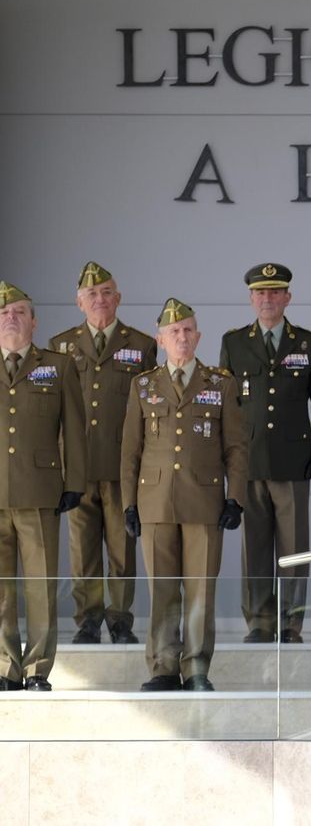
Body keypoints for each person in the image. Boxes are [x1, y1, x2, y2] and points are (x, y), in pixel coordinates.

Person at [121, 299, 247, 691]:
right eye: (174, 331)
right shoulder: (143, 385)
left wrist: (235, 497)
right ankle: (162, 666)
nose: (182, 336)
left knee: (199, 589)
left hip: (204, 501)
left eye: (188, 329)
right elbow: (130, 451)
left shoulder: (219, 383)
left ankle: (195, 668)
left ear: (199, 336)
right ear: (160, 339)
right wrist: (128, 502)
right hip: (155, 501)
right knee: (161, 588)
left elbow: (236, 448)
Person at [219, 263, 311, 644]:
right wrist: (223, 455)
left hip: (293, 459)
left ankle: (290, 622)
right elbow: (225, 405)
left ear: (288, 297)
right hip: (248, 460)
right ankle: (259, 622)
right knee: (254, 548)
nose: (267, 299)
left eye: (275, 292)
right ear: (251, 298)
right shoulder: (234, 342)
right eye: (260, 293)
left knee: (294, 548)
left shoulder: (308, 342)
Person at [48, 261, 156, 646]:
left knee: (122, 548)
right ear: (79, 303)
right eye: (92, 294)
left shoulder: (141, 346)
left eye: (106, 292)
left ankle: (120, 620)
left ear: (119, 298)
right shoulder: (59, 346)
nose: (100, 300)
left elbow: (151, 411)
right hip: (76, 468)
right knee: (83, 551)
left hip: (121, 466)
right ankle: (88, 620)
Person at [0, 281, 85, 691]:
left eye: (18, 312)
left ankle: (36, 669)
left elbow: (74, 427)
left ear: (34, 321)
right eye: (3, 313)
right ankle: (4, 666)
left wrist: (75, 481)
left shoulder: (58, 365)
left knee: (40, 587)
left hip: (40, 490)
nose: (10, 318)